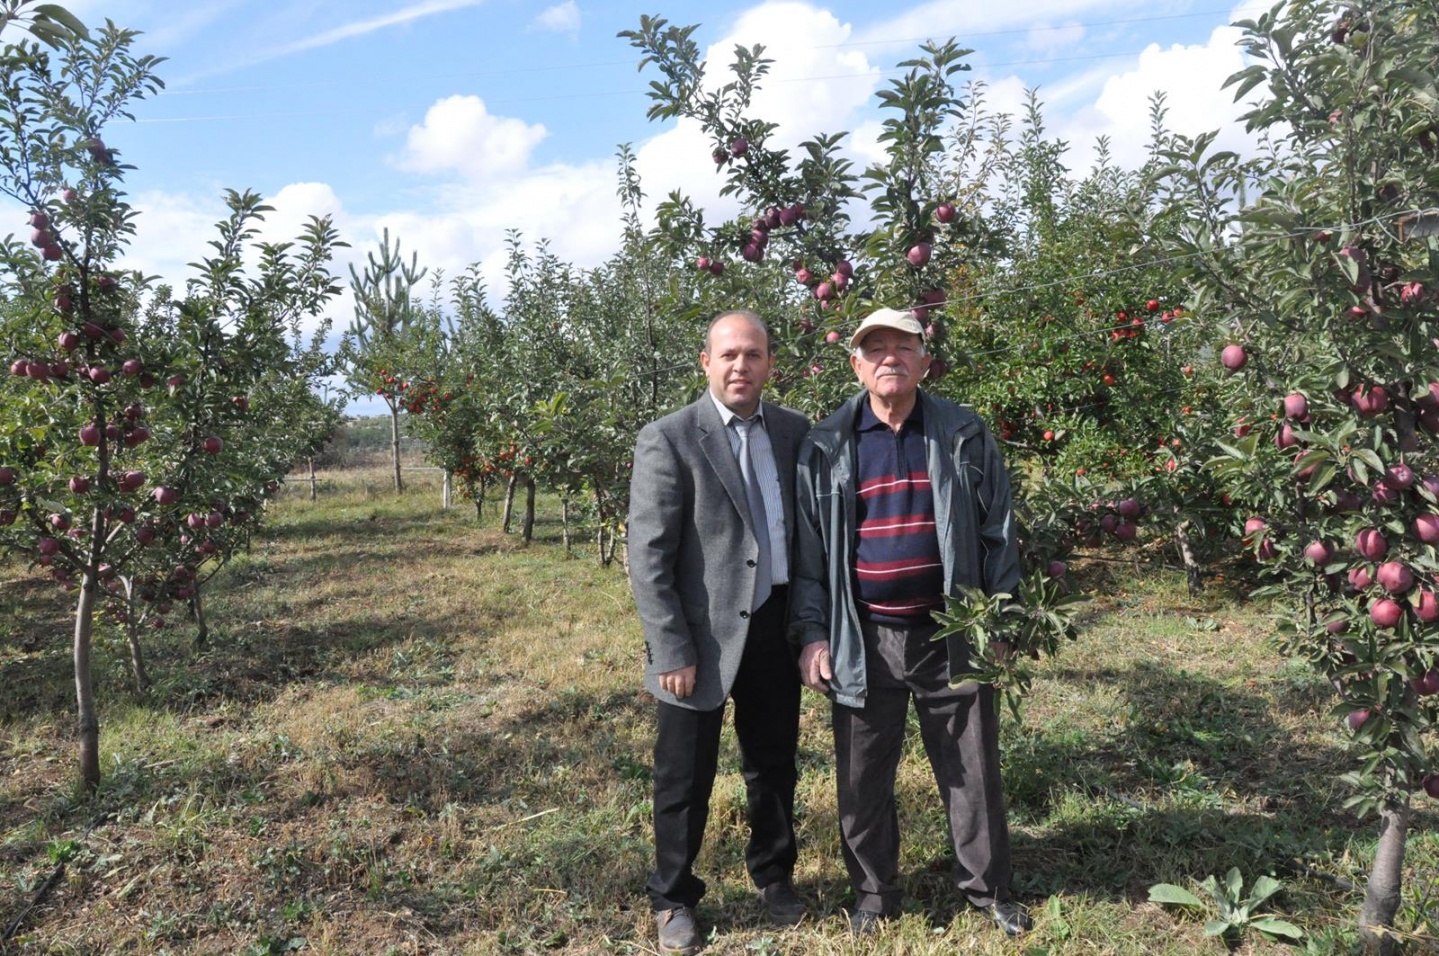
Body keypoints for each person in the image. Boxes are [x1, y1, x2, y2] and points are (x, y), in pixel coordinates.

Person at [788, 306, 1031, 937]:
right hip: (862, 635)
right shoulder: (827, 444)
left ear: (926, 360)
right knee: (862, 774)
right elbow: (809, 559)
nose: (890, 357)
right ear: (857, 365)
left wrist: (998, 621)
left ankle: (989, 889)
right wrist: (814, 635)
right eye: (876, 348)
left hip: (951, 630)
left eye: (904, 346)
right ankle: (873, 893)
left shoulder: (963, 433)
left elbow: (997, 532)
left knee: (971, 767)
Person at [628, 310, 812, 955]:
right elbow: (648, 557)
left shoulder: (794, 433)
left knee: (773, 764)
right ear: (705, 362)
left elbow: (807, 534)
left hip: (772, 626)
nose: (741, 366)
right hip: (697, 639)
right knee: (683, 776)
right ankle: (674, 897)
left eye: (754, 355)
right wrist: (671, 648)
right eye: (729, 354)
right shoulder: (671, 438)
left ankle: (774, 876)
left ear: (769, 364)